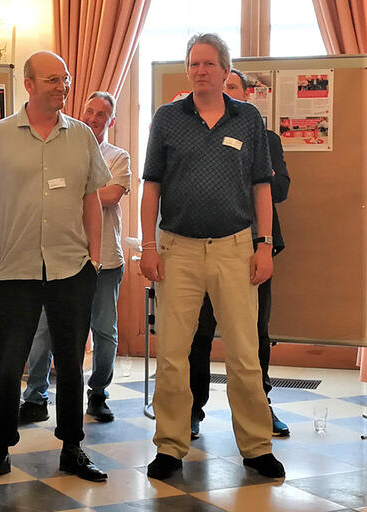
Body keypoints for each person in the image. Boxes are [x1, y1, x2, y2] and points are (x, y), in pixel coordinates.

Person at [140, 33, 285, 481]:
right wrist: (148, 246)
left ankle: (257, 446)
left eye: (208, 63)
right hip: (177, 250)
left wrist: (264, 245)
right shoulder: (167, 118)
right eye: (194, 63)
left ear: (225, 70)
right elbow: (151, 186)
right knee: (172, 355)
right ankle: (170, 446)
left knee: (243, 354)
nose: (200, 70)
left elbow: (262, 186)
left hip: (235, 249)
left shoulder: (248, 118)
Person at [0, 51, 110, 487]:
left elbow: (91, 199)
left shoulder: (82, 135)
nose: (62, 87)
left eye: (65, 79)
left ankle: (72, 447)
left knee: (70, 364)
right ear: (28, 84)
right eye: (52, 80)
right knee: (8, 366)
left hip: (72, 269)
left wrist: (94, 259)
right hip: (15, 271)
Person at [189, 68, 291, 440]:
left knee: (255, 333)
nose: (227, 90)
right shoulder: (196, 134)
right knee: (200, 332)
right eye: (225, 85)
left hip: (253, 249)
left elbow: (280, 189)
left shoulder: (267, 139)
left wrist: (250, 175)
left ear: (247, 97)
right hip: (203, 247)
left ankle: (260, 406)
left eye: (234, 87)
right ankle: (192, 410)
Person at [19, 91, 131, 424]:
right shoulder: (59, 151)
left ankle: (98, 394)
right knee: (43, 330)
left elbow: (110, 196)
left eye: (101, 114)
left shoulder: (117, 157)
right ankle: (35, 397)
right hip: (59, 258)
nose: (93, 118)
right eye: (89, 111)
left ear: (111, 121)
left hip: (105, 261)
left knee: (104, 331)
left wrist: (69, 190)